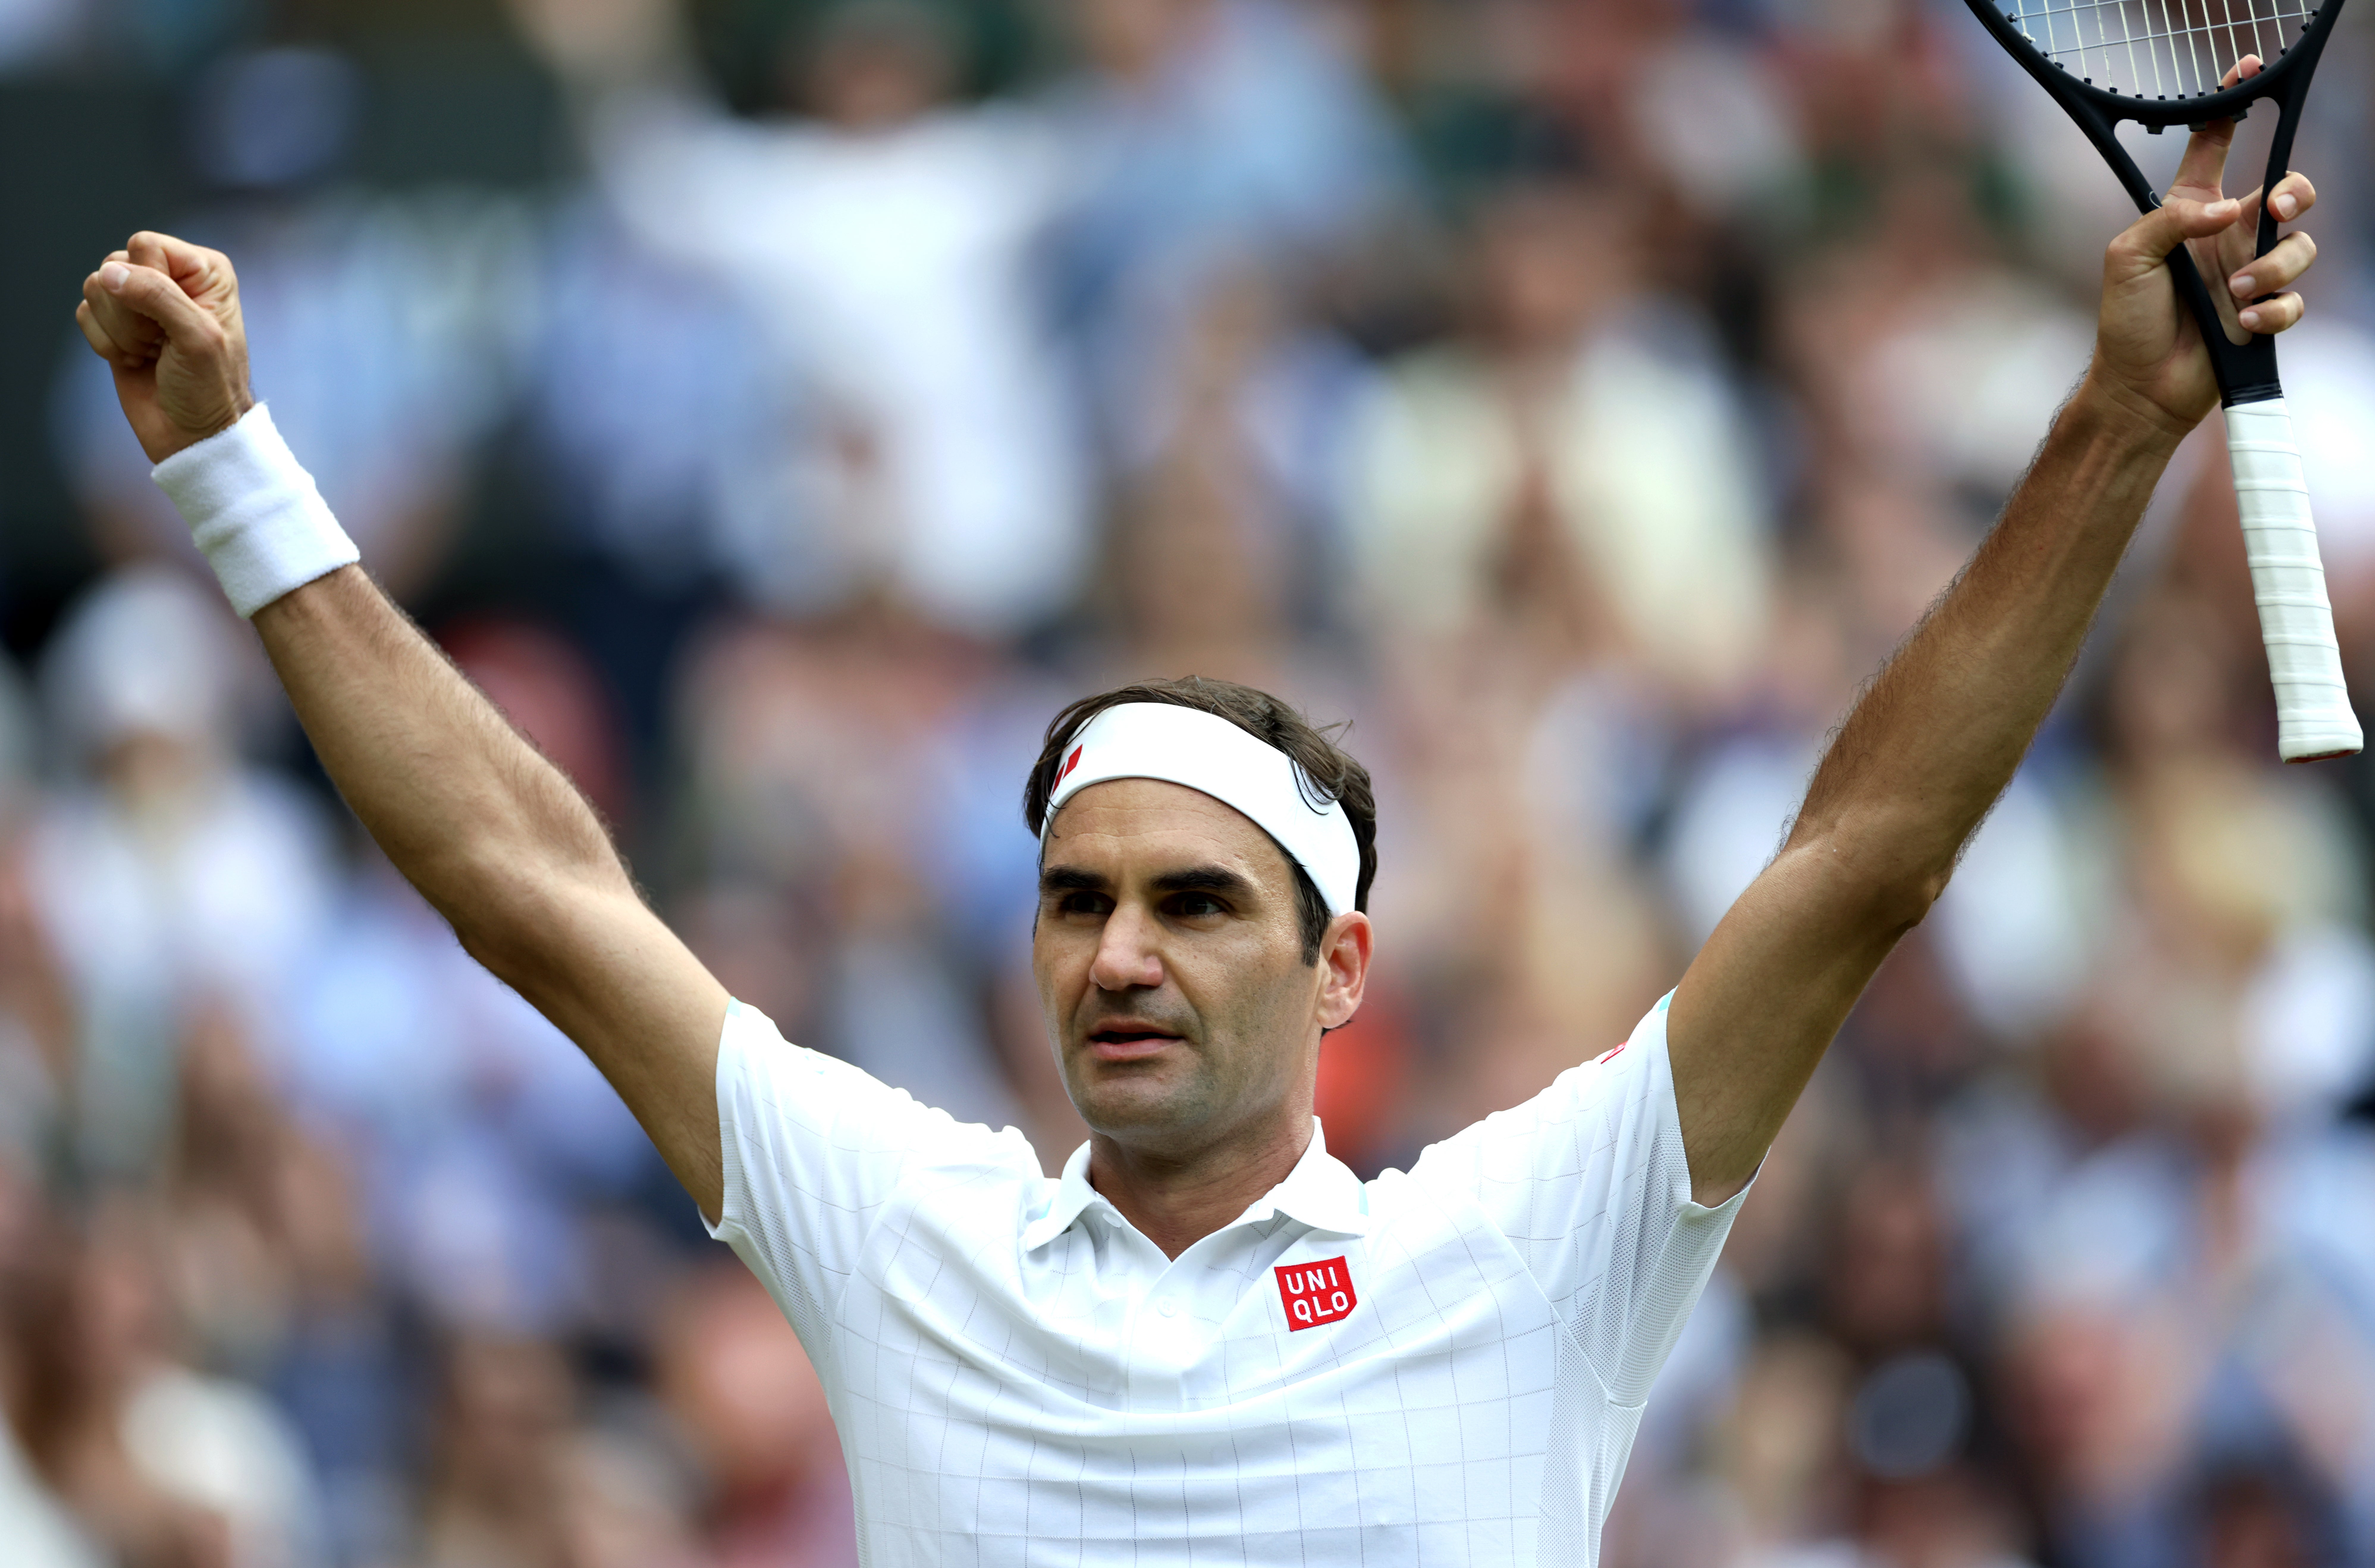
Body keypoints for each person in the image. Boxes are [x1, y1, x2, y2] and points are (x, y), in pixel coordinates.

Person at [68, 105, 2324, 1562]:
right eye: (1076, 900)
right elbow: (534, 888)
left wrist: (2123, 420)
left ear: (1341, 970)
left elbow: (1865, 855)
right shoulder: (906, 1234)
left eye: (1192, 901)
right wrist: (237, 477)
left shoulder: (1523, 1243)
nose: (1118, 951)